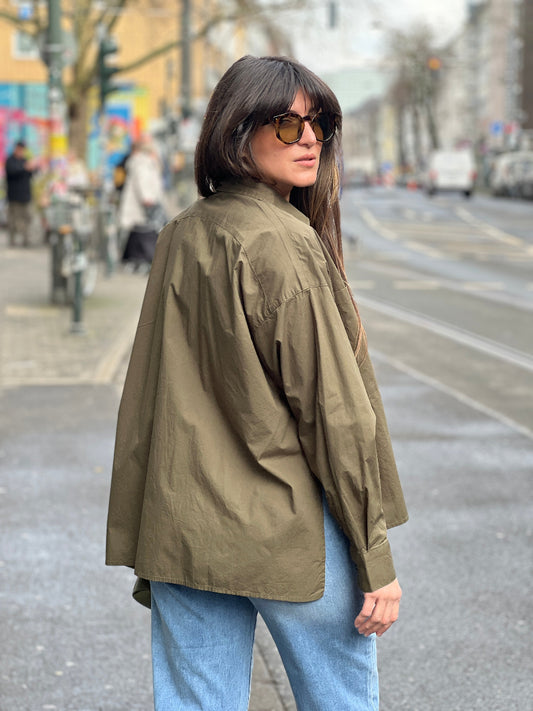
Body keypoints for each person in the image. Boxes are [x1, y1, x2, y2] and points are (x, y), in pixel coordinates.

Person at [106, 55, 408, 710]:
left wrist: (145, 531)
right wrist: (374, 557)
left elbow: (149, 400)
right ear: (236, 131)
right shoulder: (282, 242)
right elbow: (334, 412)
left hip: (184, 526)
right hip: (287, 528)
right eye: (286, 124)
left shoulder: (182, 233)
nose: (309, 139)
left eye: (320, 123)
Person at [118, 133, 167, 269]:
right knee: (144, 230)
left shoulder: (145, 161)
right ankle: (141, 259)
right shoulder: (142, 162)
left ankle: (133, 259)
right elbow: (143, 181)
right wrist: (148, 198)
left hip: (145, 203)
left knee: (138, 231)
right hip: (142, 204)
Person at [5, 140, 38, 247]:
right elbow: (12, 172)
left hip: (26, 195)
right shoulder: (10, 160)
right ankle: (12, 240)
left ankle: (26, 240)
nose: (21, 151)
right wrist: (25, 168)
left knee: (27, 218)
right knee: (13, 219)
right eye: (19, 149)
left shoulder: (25, 160)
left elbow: (32, 174)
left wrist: (33, 168)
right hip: (14, 196)